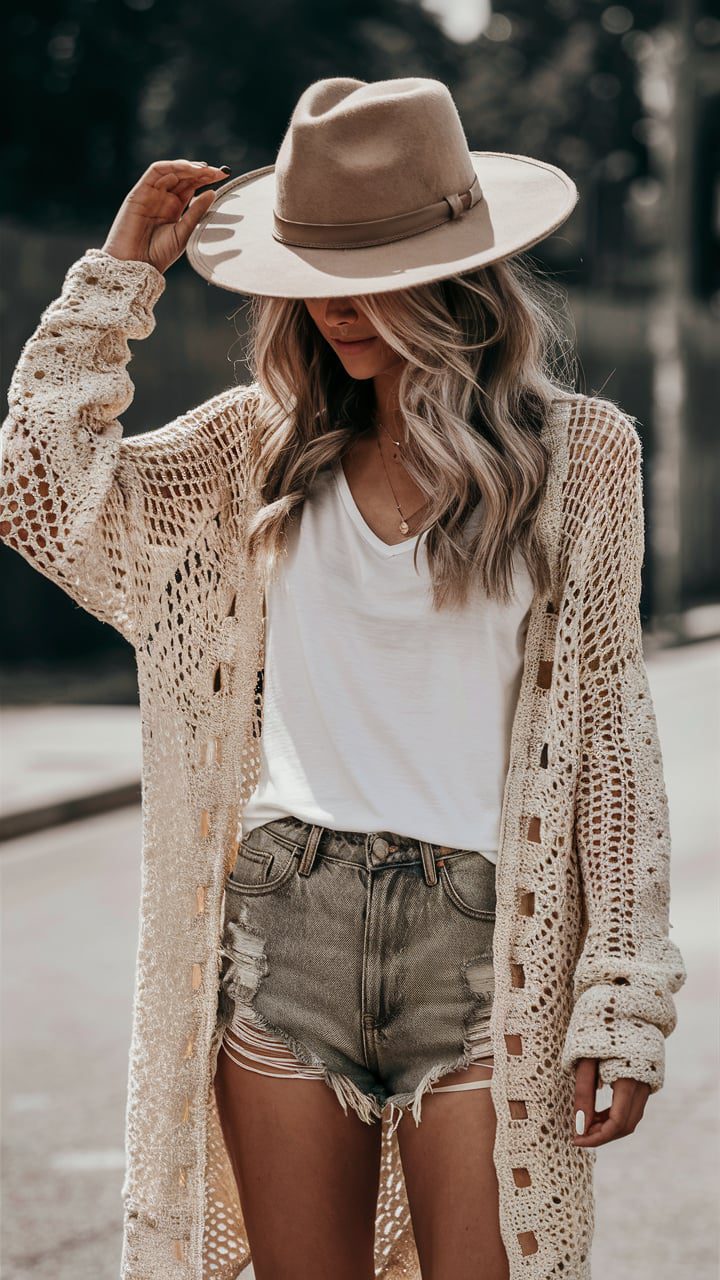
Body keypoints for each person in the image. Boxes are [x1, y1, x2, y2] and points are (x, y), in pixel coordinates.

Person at [1, 77, 686, 1280]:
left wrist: (621, 990)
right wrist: (116, 280)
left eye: (374, 273)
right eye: (316, 275)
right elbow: (41, 494)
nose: (337, 308)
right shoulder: (250, 449)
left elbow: (612, 737)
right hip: (286, 927)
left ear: (456, 275)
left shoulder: (582, 456)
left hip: (488, 947)